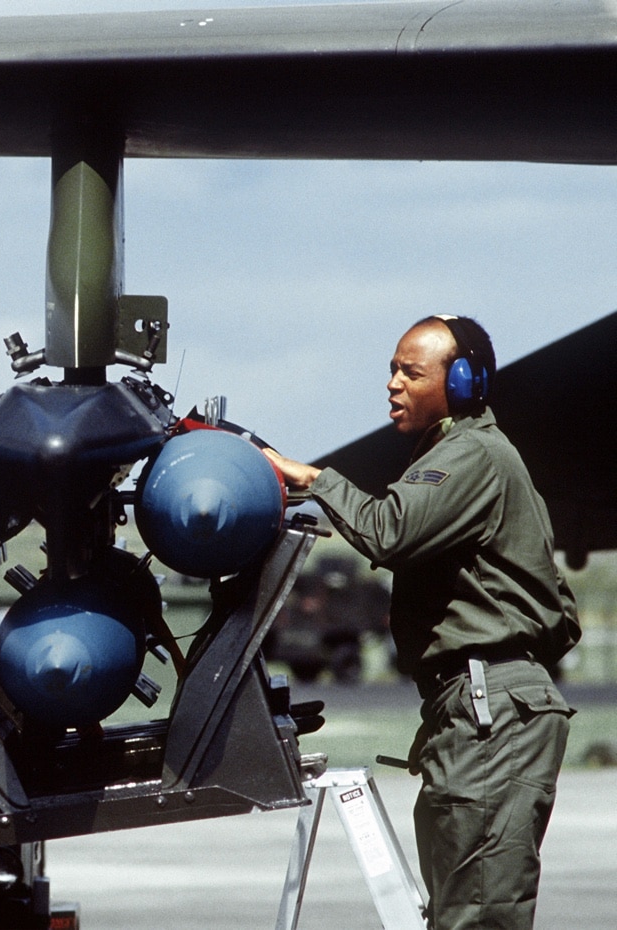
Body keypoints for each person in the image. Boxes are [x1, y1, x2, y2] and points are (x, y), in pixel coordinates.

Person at [267, 315, 580, 930]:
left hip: (490, 713)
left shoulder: (471, 455)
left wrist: (312, 477)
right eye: (392, 369)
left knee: (476, 918)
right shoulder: (455, 455)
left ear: (462, 383)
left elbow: (388, 531)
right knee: (457, 913)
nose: (394, 384)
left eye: (412, 372)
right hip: (469, 710)